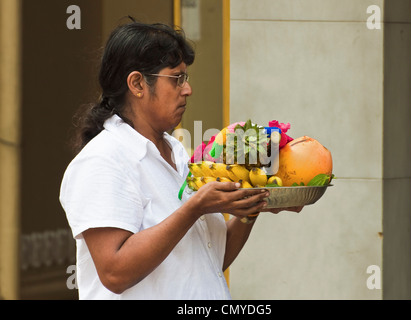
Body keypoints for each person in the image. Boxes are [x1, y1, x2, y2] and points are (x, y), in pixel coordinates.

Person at [60, 21, 302, 300]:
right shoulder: (102, 160)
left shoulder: (176, 151)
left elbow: (209, 261)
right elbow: (115, 273)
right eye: (177, 79)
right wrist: (194, 208)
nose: (188, 90)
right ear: (137, 83)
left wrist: (252, 205)